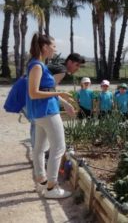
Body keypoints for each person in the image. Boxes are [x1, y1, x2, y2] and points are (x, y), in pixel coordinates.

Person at [26, 33, 73, 199]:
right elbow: (33, 93)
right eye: (53, 46)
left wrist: (63, 101)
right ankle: (52, 187)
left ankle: (42, 180)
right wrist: (61, 92)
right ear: (45, 47)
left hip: (40, 114)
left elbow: (46, 90)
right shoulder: (37, 66)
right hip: (47, 112)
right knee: (59, 148)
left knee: (39, 148)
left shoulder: (35, 64)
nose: (55, 49)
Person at [27, 52, 85, 148]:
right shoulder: (62, 70)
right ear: (69, 62)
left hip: (29, 93)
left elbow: (49, 90)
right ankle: (39, 153)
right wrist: (65, 103)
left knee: (37, 125)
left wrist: (64, 103)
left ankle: (38, 154)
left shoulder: (57, 66)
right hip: (32, 95)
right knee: (37, 126)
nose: (78, 68)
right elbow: (49, 90)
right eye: (77, 65)